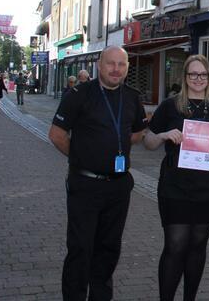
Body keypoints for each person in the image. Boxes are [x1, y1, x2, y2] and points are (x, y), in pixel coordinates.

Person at [48, 46, 147, 301]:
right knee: (80, 248)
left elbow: (137, 133)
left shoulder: (133, 97)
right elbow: (56, 135)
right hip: (85, 184)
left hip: (118, 187)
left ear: (127, 68)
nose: (116, 69)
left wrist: (117, 145)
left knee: (109, 248)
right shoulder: (79, 94)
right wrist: (82, 157)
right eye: (111, 64)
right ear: (99, 65)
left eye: (121, 64)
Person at [144, 54, 209, 301]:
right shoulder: (170, 105)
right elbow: (148, 142)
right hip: (175, 187)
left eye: (203, 74)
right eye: (193, 74)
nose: (198, 79)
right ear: (185, 77)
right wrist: (164, 134)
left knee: (197, 247)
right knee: (175, 246)